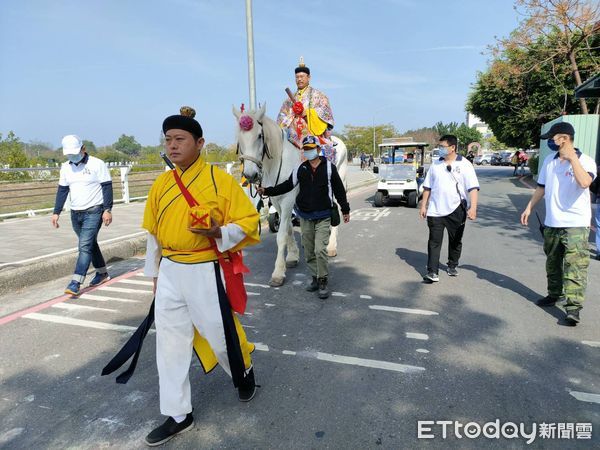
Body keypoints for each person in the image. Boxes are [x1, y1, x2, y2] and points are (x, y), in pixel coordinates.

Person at [142, 107, 260, 446]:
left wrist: (218, 231)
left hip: (205, 268)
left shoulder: (218, 180)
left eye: (180, 139)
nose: (172, 146)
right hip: (170, 272)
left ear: (200, 143)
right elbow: (152, 233)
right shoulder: (161, 184)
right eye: (168, 140)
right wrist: (154, 275)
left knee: (219, 335)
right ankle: (179, 414)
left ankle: (243, 372)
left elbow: (250, 222)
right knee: (169, 345)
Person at [520, 122, 596, 326]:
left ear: (564, 138)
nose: (550, 143)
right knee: (552, 262)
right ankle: (554, 294)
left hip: (576, 224)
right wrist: (529, 207)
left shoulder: (586, 161)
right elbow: (541, 188)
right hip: (552, 221)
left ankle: (573, 308)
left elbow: (584, 183)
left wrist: (572, 159)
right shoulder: (549, 161)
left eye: (552, 139)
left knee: (575, 267)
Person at [257, 136, 350, 299]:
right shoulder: (300, 168)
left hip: (323, 216)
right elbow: (287, 185)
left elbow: (339, 190)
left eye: (311, 149)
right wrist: (267, 191)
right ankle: (315, 277)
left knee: (320, 249)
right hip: (305, 216)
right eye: (306, 149)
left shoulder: (329, 168)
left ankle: (322, 280)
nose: (309, 152)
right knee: (308, 251)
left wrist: (345, 209)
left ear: (319, 150)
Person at [51, 135, 113, 296]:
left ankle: (76, 282)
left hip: (94, 210)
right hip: (75, 212)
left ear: (83, 148)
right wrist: (56, 212)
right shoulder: (65, 167)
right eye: (69, 154)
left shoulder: (97, 164)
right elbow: (62, 190)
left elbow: (107, 187)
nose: (72, 156)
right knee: (90, 243)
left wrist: (108, 209)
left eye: (75, 152)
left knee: (84, 246)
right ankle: (102, 273)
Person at [419, 135, 479, 282]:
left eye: (443, 147)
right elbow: (427, 187)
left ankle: (452, 264)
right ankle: (432, 272)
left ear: (453, 147)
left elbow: (473, 188)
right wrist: (423, 205)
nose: (440, 149)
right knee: (434, 241)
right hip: (435, 210)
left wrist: (473, 208)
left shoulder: (465, 164)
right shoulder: (435, 165)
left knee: (455, 240)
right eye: (439, 146)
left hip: (456, 209)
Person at [277, 57, 335, 161]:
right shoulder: (288, 100)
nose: (299, 79)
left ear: (309, 78)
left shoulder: (318, 95)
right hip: (293, 136)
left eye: (302, 76)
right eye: (297, 77)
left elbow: (326, 114)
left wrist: (307, 113)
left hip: (312, 134)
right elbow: (281, 118)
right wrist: (292, 116)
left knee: (326, 156)